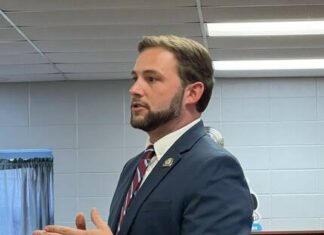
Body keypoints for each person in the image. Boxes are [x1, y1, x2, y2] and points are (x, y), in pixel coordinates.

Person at [33, 35, 253, 235]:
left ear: (192, 93)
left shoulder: (214, 168)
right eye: (135, 78)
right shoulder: (134, 167)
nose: (135, 89)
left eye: (151, 79)